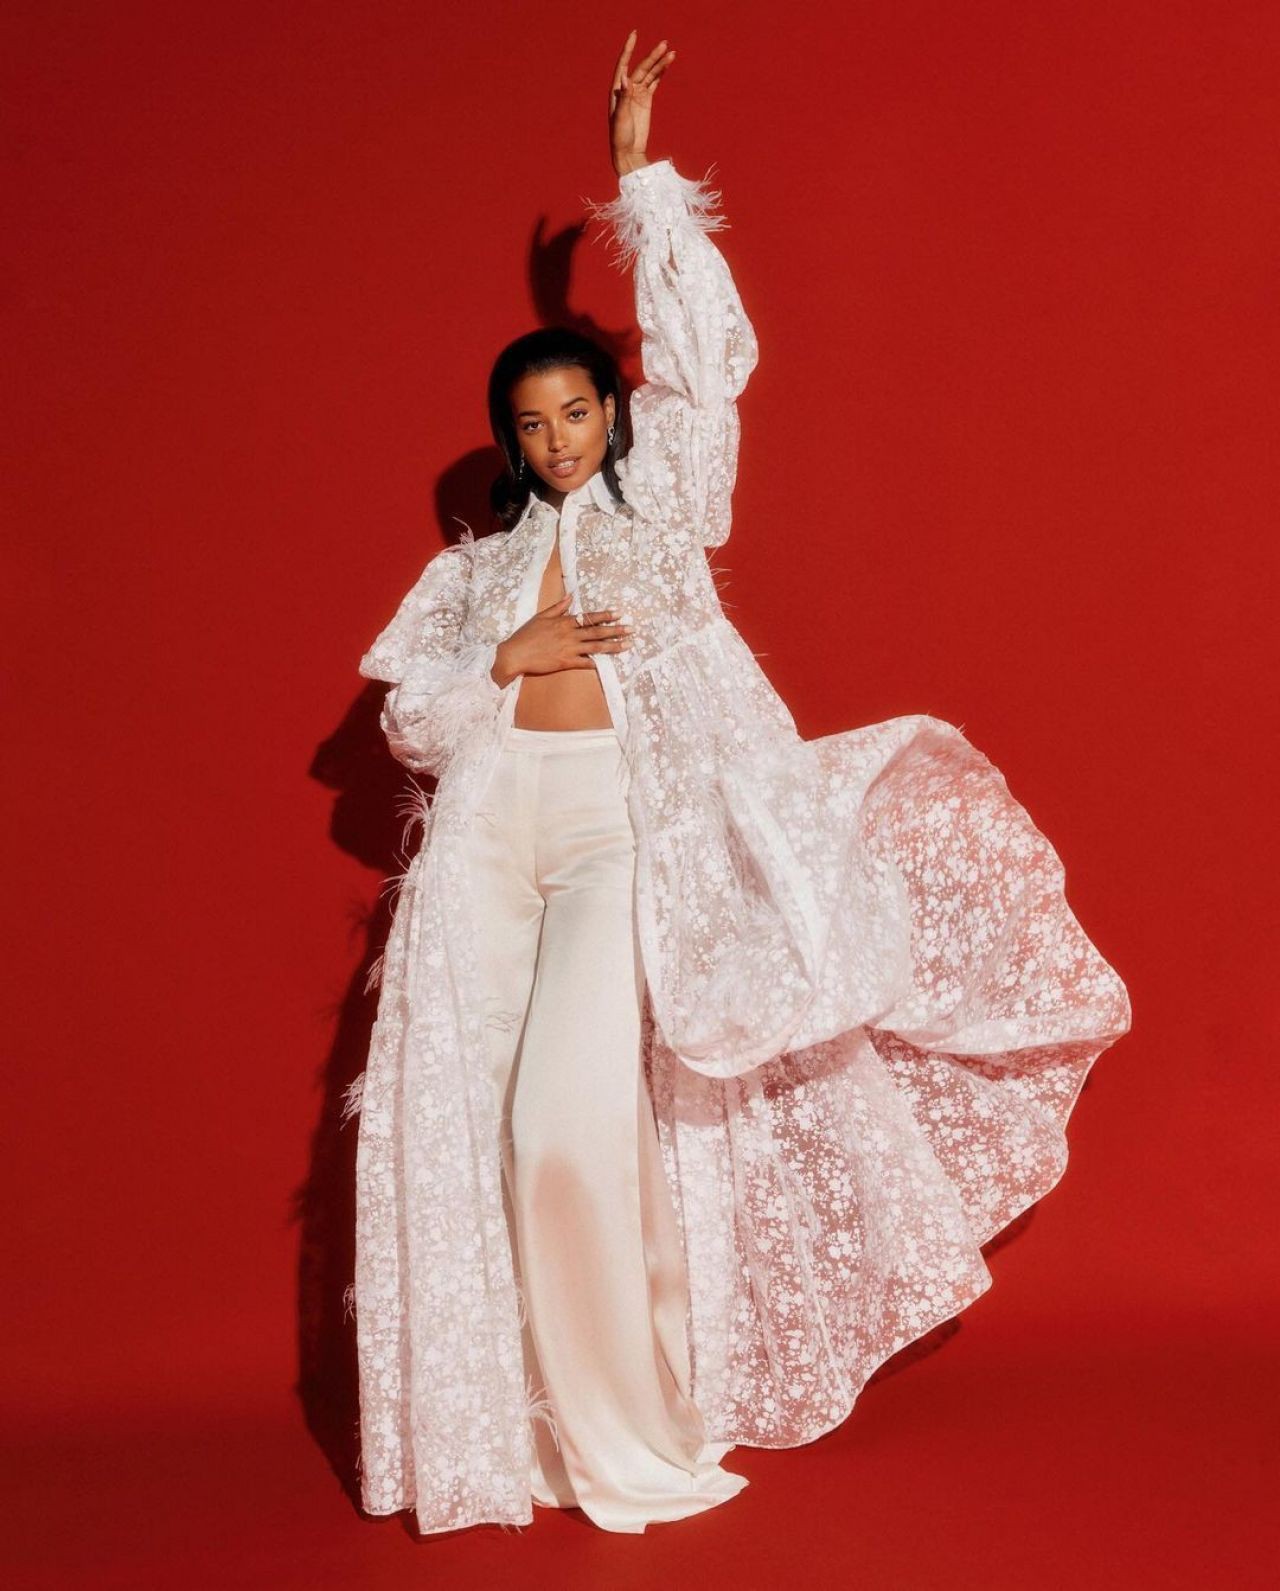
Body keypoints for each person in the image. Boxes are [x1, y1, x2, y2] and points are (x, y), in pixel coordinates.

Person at [346, 32, 1132, 1538]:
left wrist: (641, 183)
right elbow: (416, 729)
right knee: (473, 1121)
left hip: (615, 834)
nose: (558, 441)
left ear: (612, 416)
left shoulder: (666, 501)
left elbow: (709, 359)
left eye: (578, 412)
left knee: (564, 1129)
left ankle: (626, 1433)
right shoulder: (479, 569)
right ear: (511, 441)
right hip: (489, 845)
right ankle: (516, 1436)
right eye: (533, 424)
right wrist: (509, 651)